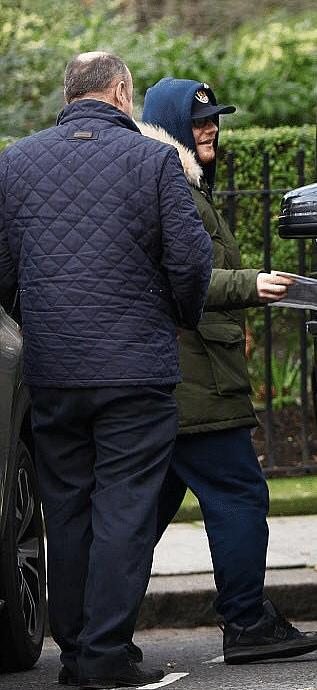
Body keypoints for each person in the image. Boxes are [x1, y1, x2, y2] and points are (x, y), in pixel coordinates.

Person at [0, 53, 213, 688]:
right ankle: (104, 653)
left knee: (65, 505)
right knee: (124, 506)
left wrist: (35, 319)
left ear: (69, 96)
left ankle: (75, 651)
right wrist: (179, 314)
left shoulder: (15, 162)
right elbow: (191, 260)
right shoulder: (153, 161)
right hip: (135, 369)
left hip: (53, 368)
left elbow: (4, 270)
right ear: (121, 92)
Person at [140, 77, 317, 664]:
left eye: (215, 118)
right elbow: (180, 282)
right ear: (170, 128)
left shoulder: (182, 185)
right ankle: (246, 620)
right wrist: (253, 285)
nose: (212, 127)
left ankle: (96, 628)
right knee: (240, 494)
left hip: (183, 377)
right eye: (199, 122)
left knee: (140, 514)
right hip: (195, 382)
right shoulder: (173, 189)